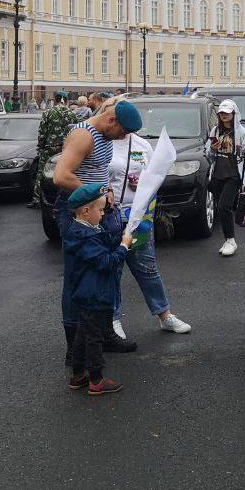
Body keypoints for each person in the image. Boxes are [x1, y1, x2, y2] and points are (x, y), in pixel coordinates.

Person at [52, 100, 141, 361]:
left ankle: (102, 335)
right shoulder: (83, 135)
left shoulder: (106, 135)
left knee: (105, 273)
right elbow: (61, 175)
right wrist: (94, 196)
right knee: (77, 279)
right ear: (111, 121)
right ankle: (74, 349)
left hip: (99, 211)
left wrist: (107, 191)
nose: (124, 137)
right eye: (124, 131)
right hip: (78, 213)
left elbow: (98, 172)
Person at [104, 114, 191, 341]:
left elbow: (153, 175)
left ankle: (164, 315)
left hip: (139, 217)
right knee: (112, 270)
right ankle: (112, 319)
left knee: (147, 267)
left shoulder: (141, 145)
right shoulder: (102, 143)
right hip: (109, 217)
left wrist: (141, 181)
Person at [64, 183, 128, 397]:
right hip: (94, 295)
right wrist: (124, 247)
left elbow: (103, 242)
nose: (103, 214)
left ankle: (78, 374)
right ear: (86, 211)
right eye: (100, 210)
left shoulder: (84, 231)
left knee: (83, 334)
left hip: (86, 294)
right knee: (95, 338)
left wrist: (119, 238)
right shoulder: (86, 237)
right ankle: (97, 380)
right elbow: (106, 261)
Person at [206, 99, 245, 257]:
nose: (224, 115)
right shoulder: (215, 131)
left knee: (224, 206)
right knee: (221, 208)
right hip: (218, 174)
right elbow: (209, 154)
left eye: (227, 112)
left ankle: (231, 240)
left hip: (233, 174)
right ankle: (228, 239)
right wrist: (212, 149)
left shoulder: (241, 132)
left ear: (234, 113)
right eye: (222, 113)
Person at [32, 91, 76, 207]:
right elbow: (76, 131)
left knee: (42, 172)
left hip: (49, 147)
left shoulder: (48, 113)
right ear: (65, 100)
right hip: (66, 149)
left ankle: (37, 199)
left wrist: (41, 147)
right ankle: (64, 196)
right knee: (65, 171)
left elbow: (42, 132)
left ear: (55, 100)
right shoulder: (71, 113)